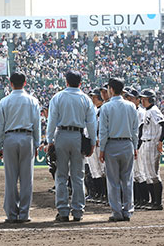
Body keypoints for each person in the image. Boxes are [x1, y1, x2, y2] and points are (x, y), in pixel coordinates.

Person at [46, 70, 97, 222]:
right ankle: (78, 211)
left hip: (61, 134)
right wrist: (92, 142)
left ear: (66, 82)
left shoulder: (58, 97)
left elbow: (52, 120)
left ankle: (62, 211)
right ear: (80, 83)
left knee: (61, 175)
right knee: (78, 176)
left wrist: (50, 140)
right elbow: (92, 123)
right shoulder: (86, 99)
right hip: (78, 136)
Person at [0, 72, 41, 223]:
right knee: (27, 179)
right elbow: (37, 124)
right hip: (27, 138)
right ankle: (24, 214)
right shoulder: (32, 101)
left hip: (9, 138)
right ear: (25, 82)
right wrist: (37, 143)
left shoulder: (5, 101)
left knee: (11, 179)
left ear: (10, 83)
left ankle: (11, 214)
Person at [98, 78, 139, 222]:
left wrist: (102, 150)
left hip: (111, 145)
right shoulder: (131, 106)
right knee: (127, 179)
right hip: (127, 143)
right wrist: (135, 146)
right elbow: (135, 130)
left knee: (113, 181)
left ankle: (116, 212)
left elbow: (103, 131)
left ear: (110, 89)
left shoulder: (106, 107)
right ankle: (128, 211)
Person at [139, 89, 164, 211]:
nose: (142, 100)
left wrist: (160, 141)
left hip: (152, 144)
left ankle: (158, 203)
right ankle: (152, 201)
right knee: (147, 174)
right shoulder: (147, 111)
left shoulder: (154, 110)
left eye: (144, 99)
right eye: (142, 98)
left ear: (151, 99)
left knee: (154, 174)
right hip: (145, 143)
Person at [124, 88, 148, 209]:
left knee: (140, 172)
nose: (128, 100)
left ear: (138, 100)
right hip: (133, 144)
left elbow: (140, 130)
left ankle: (145, 199)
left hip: (140, 145)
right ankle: (138, 199)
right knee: (134, 173)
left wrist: (136, 147)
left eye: (131, 98)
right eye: (127, 98)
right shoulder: (131, 110)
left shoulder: (141, 112)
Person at [86, 88, 106, 204]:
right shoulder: (94, 110)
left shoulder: (103, 109)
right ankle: (98, 194)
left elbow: (101, 126)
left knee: (101, 170)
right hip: (92, 141)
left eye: (94, 96)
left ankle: (103, 194)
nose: (92, 98)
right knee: (94, 170)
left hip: (99, 142)